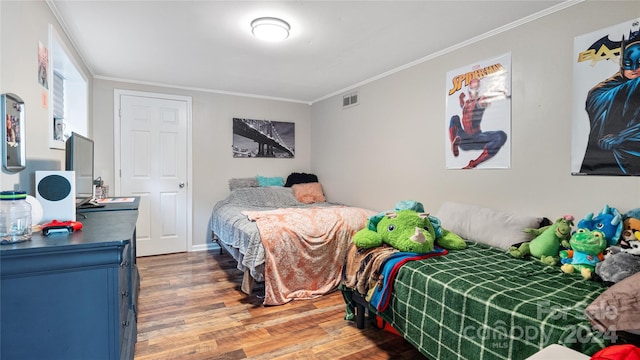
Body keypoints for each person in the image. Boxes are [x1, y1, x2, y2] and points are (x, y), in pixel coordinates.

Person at [580, 29, 640, 175]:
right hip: (607, 160)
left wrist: (622, 136)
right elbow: (595, 99)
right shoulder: (603, 91)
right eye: (628, 63)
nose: (634, 69)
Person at [448, 77, 508, 169]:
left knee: (501, 135)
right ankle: (454, 145)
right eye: (473, 88)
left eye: (477, 88)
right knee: (454, 118)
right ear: (469, 89)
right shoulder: (466, 103)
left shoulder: (480, 100)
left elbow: (484, 100)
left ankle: (473, 164)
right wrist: (461, 98)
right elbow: (462, 105)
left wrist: (498, 93)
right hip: (463, 139)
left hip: (477, 138)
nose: (474, 90)